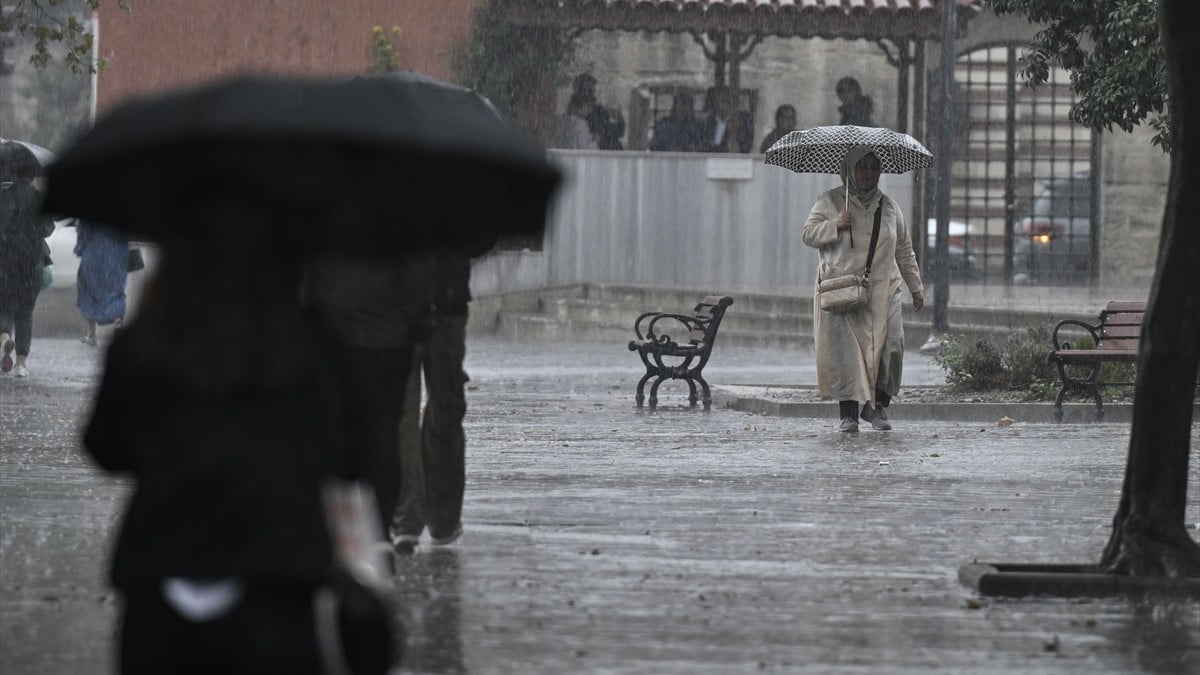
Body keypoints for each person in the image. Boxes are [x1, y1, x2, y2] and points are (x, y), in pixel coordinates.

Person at [82, 217, 396, 674]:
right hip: (279, 584)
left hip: (162, 581)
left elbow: (104, 448)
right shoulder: (311, 345)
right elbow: (356, 456)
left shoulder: (147, 344)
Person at [802, 147, 924, 432]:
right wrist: (834, 224)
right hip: (844, 288)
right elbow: (807, 234)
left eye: (874, 167)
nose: (868, 173)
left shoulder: (890, 207)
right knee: (846, 353)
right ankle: (848, 413)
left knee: (891, 347)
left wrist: (915, 286)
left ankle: (878, 406)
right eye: (862, 167)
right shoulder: (830, 200)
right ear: (849, 169)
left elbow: (904, 249)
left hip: (885, 289)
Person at [390, 251, 471, 554]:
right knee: (407, 411)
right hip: (406, 306)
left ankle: (438, 517)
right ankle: (409, 519)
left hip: (443, 302)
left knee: (444, 407)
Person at [0, 141, 55, 379]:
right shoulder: (40, 198)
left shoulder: (4, 196)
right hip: (32, 262)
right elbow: (48, 229)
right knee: (26, 312)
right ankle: (22, 363)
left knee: (4, 306)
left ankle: (5, 339)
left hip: (7, 261)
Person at [74, 219, 130, 346]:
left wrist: (80, 248)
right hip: (116, 255)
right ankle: (117, 321)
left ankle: (91, 333)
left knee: (89, 290)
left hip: (93, 254)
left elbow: (84, 233)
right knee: (115, 290)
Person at [573, 73, 626, 150]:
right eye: (592, 91)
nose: (594, 95)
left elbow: (618, 131)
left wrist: (619, 117)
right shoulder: (590, 113)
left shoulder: (598, 111)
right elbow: (617, 131)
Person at [699, 86, 754, 153]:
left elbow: (747, 146)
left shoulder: (743, 123)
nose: (724, 105)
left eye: (728, 101)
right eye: (722, 100)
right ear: (714, 101)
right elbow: (701, 147)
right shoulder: (705, 122)